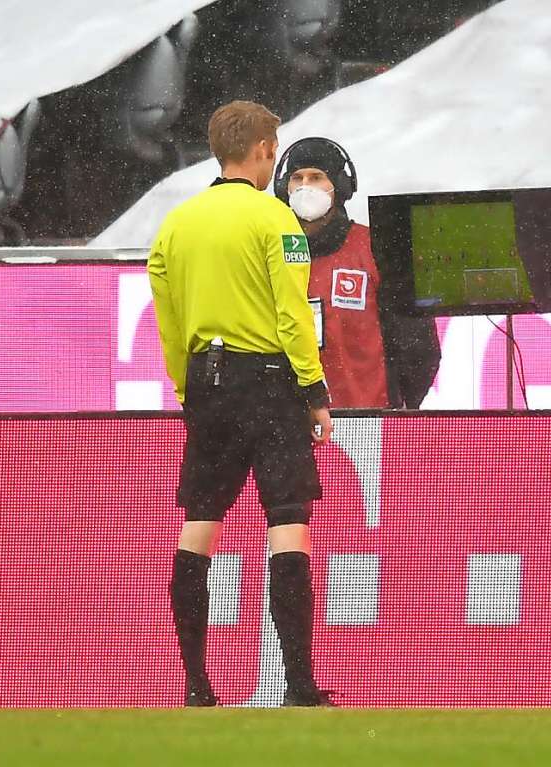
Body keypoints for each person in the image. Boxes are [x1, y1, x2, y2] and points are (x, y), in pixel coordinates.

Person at [147, 100, 334, 707]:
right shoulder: (275, 220)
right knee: (287, 523)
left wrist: (188, 389)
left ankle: (197, 685)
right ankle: (298, 684)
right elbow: (292, 314)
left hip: (207, 382)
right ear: (260, 150)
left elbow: (170, 323)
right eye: (273, 149)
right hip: (271, 383)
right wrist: (314, 391)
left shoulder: (177, 224)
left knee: (199, 524)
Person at [274, 137, 440, 408]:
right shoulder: (270, 253)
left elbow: (419, 349)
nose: (305, 187)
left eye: (317, 177)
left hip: (368, 424)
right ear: (284, 187)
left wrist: (396, 407)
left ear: (339, 186)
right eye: (297, 177)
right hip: (289, 430)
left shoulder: (377, 248)